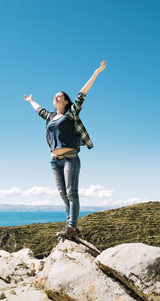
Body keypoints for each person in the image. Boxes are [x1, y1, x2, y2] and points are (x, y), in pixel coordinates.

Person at [24, 60, 106, 239]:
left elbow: (82, 93)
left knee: (71, 192)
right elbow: (39, 110)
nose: (56, 98)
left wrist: (97, 72)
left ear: (66, 101)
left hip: (70, 158)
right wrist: (31, 100)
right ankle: (70, 227)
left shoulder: (71, 114)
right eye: (55, 96)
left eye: (60, 96)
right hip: (54, 161)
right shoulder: (50, 117)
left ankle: (71, 226)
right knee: (63, 194)